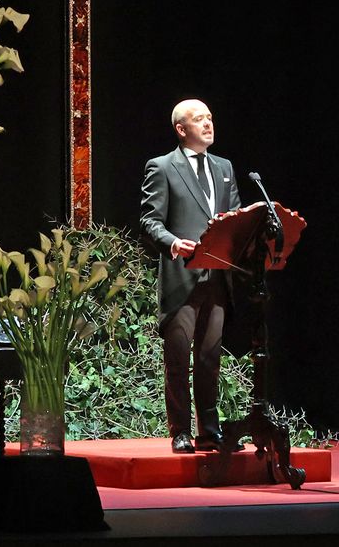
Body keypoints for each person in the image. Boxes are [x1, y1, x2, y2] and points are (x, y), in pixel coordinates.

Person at [140, 99, 243, 454]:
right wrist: (172, 243)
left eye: (210, 118)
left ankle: (210, 431)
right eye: (199, 119)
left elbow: (234, 218)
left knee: (209, 358)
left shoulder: (224, 167)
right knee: (178, 358)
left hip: (217, 277)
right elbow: (150, 221)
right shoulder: (162, 167)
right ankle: (181, 431)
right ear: (181, 129)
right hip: (182, 277)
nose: (208, 124)